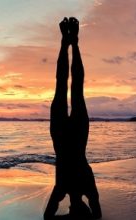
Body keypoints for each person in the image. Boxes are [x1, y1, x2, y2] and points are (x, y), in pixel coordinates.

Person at [44, 17, 102, 220]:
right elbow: (49, 217)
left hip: (69, 134)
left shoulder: (76, 188)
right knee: (69, 87)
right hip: (69, 135)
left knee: (71, 87)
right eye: (71, 211)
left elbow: (96, 215)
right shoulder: (63, 188)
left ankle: (70, 43)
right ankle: (70, 43)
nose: (69, 209)